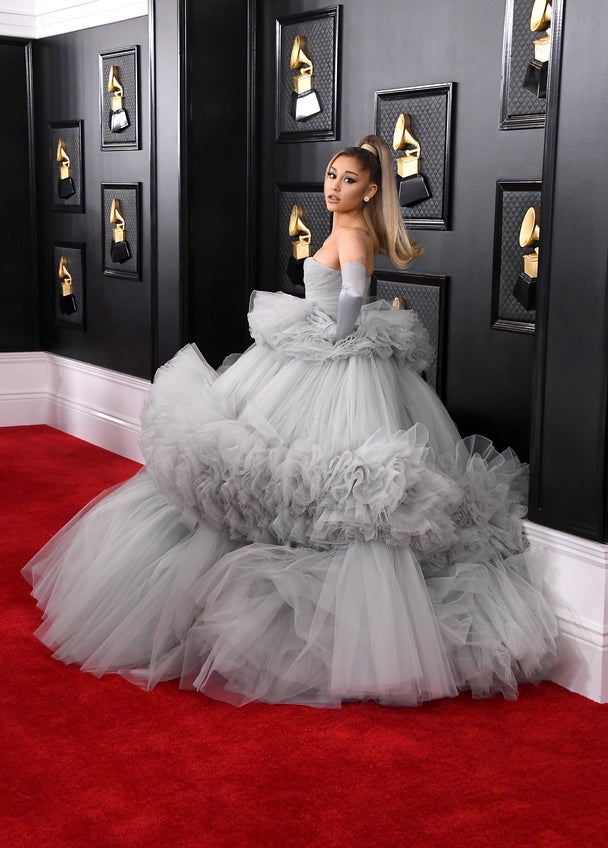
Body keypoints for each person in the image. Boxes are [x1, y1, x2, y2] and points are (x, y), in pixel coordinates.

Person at [23, 135, 557, 707]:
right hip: (321, 346)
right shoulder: (346, 225)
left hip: (332, 357)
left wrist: (338, 334)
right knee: (280, 469)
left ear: (371, 189)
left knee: (311, 477)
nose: (333, 186)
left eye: (348, 180)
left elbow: (352, 291)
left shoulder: (352, 232)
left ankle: (324, 617)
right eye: (331, 175)